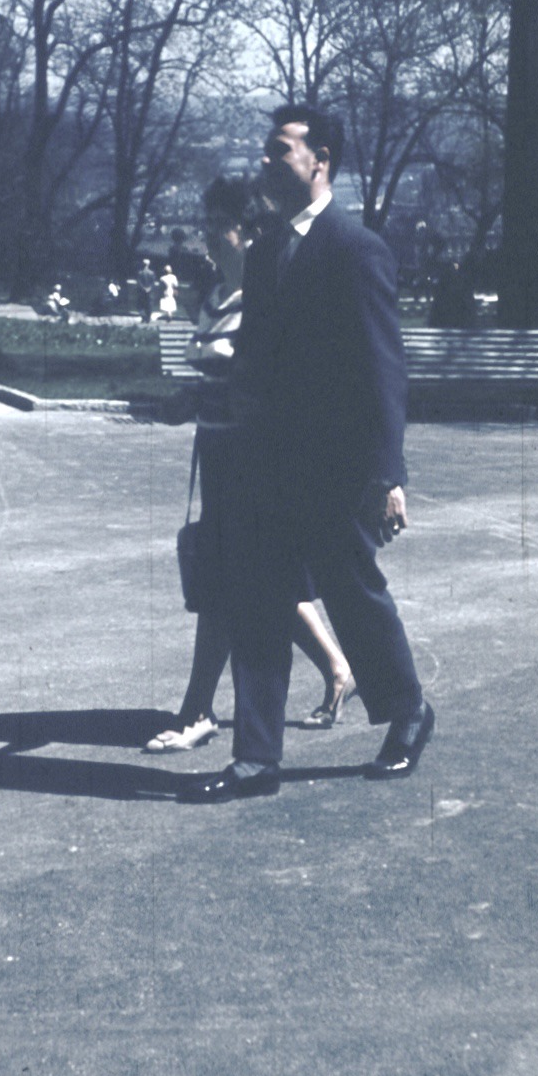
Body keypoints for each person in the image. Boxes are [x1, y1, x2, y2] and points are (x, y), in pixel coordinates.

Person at [179, 104, 434, 803]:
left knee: (351, 593)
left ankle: (407, 709)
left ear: (318, 158)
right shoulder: (263, 254)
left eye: (278, 150)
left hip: (333, 466)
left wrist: (387, 474)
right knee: (258, 599)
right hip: (263, 460)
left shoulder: (355, 248)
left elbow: (384, 368)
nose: (265, 162)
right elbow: (257, 360)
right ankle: (256, 759)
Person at [146, 178, 353, 755]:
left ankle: (198, 711)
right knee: (252, 582)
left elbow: (276, 384)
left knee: (227, 587)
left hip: (258, 462)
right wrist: (190, 400)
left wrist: (215, 399)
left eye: (221, 226)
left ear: (251, 231)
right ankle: (338, 669)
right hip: (219, 456)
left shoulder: (270, 297)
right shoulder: (217, 296)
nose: (210, 237)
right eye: (208, 224)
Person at [136, 258, 157, 322]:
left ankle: (143, 317)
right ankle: (148, 318)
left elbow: (139, 282)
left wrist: (143, 288)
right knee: (149, 305)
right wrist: (149, 288)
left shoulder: (140, 273)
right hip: (150, 291)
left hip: (142, 291)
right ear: (149, 264)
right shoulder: (152, 273)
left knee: (141, 305)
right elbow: (153, 283)